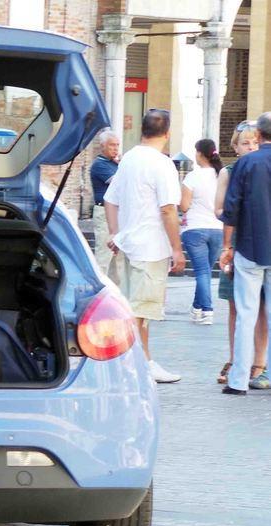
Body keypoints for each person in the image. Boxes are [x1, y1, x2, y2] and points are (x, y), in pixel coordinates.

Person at [104, 109, 185, 383]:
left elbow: (110, 200)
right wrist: (177, 248)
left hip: (128, 245)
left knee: (133, 309)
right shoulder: (162, 164)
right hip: (150, 247)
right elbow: (168, 210)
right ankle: (134, 368)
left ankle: (144, 362)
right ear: (167, 133)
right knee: (139, 312)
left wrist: (116, 233)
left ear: (142, 130)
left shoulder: (128, 159)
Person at [218, 112, 271, 395]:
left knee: (246, 315)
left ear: (259, 136)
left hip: (250, 246)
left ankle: (238, 380)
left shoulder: (246, 163)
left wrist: (227, 246)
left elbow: (232, 208)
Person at [180, 138, 223, 325]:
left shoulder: (192, 177)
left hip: (195, 229)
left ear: (199, 153)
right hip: (218, 229)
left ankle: (207, 310)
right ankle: (197, 308)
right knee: (205, 270)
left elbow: (183, 205)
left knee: (202, 271)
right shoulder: (222, 175)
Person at [89, 128, 120, 273]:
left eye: (117, 145)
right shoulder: (99, 164)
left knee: (117, 260)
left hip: (117, 212)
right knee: (104, 255)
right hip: (104, 213)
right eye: (112, 145)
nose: (115, 149)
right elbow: (120, 183)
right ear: (102, 146)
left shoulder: (114, 164)